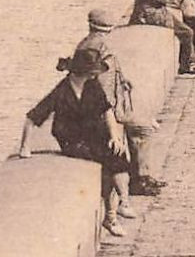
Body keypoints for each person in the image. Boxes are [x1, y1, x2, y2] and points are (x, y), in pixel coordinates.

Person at [19, 45, 134, 236]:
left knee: (118, 154)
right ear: (80, 72)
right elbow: (32, 118)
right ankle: (111, 217)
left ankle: (124, 201)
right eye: (91, 72)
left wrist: (114, 137)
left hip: (93, 133)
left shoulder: (93, 86)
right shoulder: (62, 91)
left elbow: (107, 112)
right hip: (71, 138)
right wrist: (25, 147)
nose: (94, 76)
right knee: (103, 164)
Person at [79, 7, 166, 198]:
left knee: (141, 127)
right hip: (108, 106)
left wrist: (123, 80)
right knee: (143, 129)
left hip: (114, 102)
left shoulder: (91, 44)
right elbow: (97, 82)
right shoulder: (97, 47)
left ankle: (141, 176)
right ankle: (140, 178)